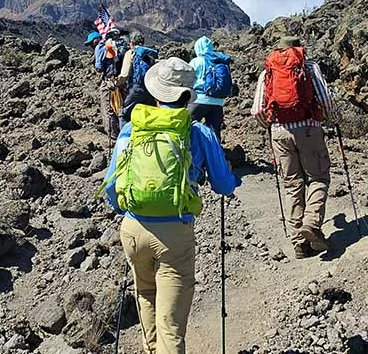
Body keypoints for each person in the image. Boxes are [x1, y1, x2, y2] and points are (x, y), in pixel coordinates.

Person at [101, 57, 239, 354]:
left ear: (155, 93)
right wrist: (232, 180)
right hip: (175, 234)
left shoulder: (130, 130)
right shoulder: (199, 132)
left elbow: (112, 185)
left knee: (147, 294)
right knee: (172, 328)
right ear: (189, 95)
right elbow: (223, 185)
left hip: (133, 229)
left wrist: (127, 209)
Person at [250, 36, 341, 259]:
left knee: (292, 185)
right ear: (299, 49)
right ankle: (311, 224)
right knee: (318, 178)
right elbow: (326, 100)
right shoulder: (308, 67)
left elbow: (257, 111)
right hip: (309, 130)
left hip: (279, 133)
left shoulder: (267, 72)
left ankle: (299, 244)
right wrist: (333, 120)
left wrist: (272, 127)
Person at [188, 36, 233, 139]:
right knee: (214, 133)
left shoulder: (196, 61)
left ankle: (190, 152)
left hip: (199, 100)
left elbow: (188, 78)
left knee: (187, 128)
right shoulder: (219, 61)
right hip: (218, 103)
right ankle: (216, 153)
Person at [117, 31, 157, 129]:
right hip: (150, 89)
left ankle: (125, 139)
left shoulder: (131, 53)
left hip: (136, 88)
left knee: (124, 114)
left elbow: (125, 74)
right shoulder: (150, 53)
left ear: (132, 43)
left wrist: (116, 83)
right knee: (148, 115)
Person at [95, 28, 125, 141]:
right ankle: (124, 133)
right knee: (121, 107)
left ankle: (113, 137)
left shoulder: (104, 46)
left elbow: (99, 68)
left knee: (108, 109)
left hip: (109, 81)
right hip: (122, 82)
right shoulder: (124, 46)